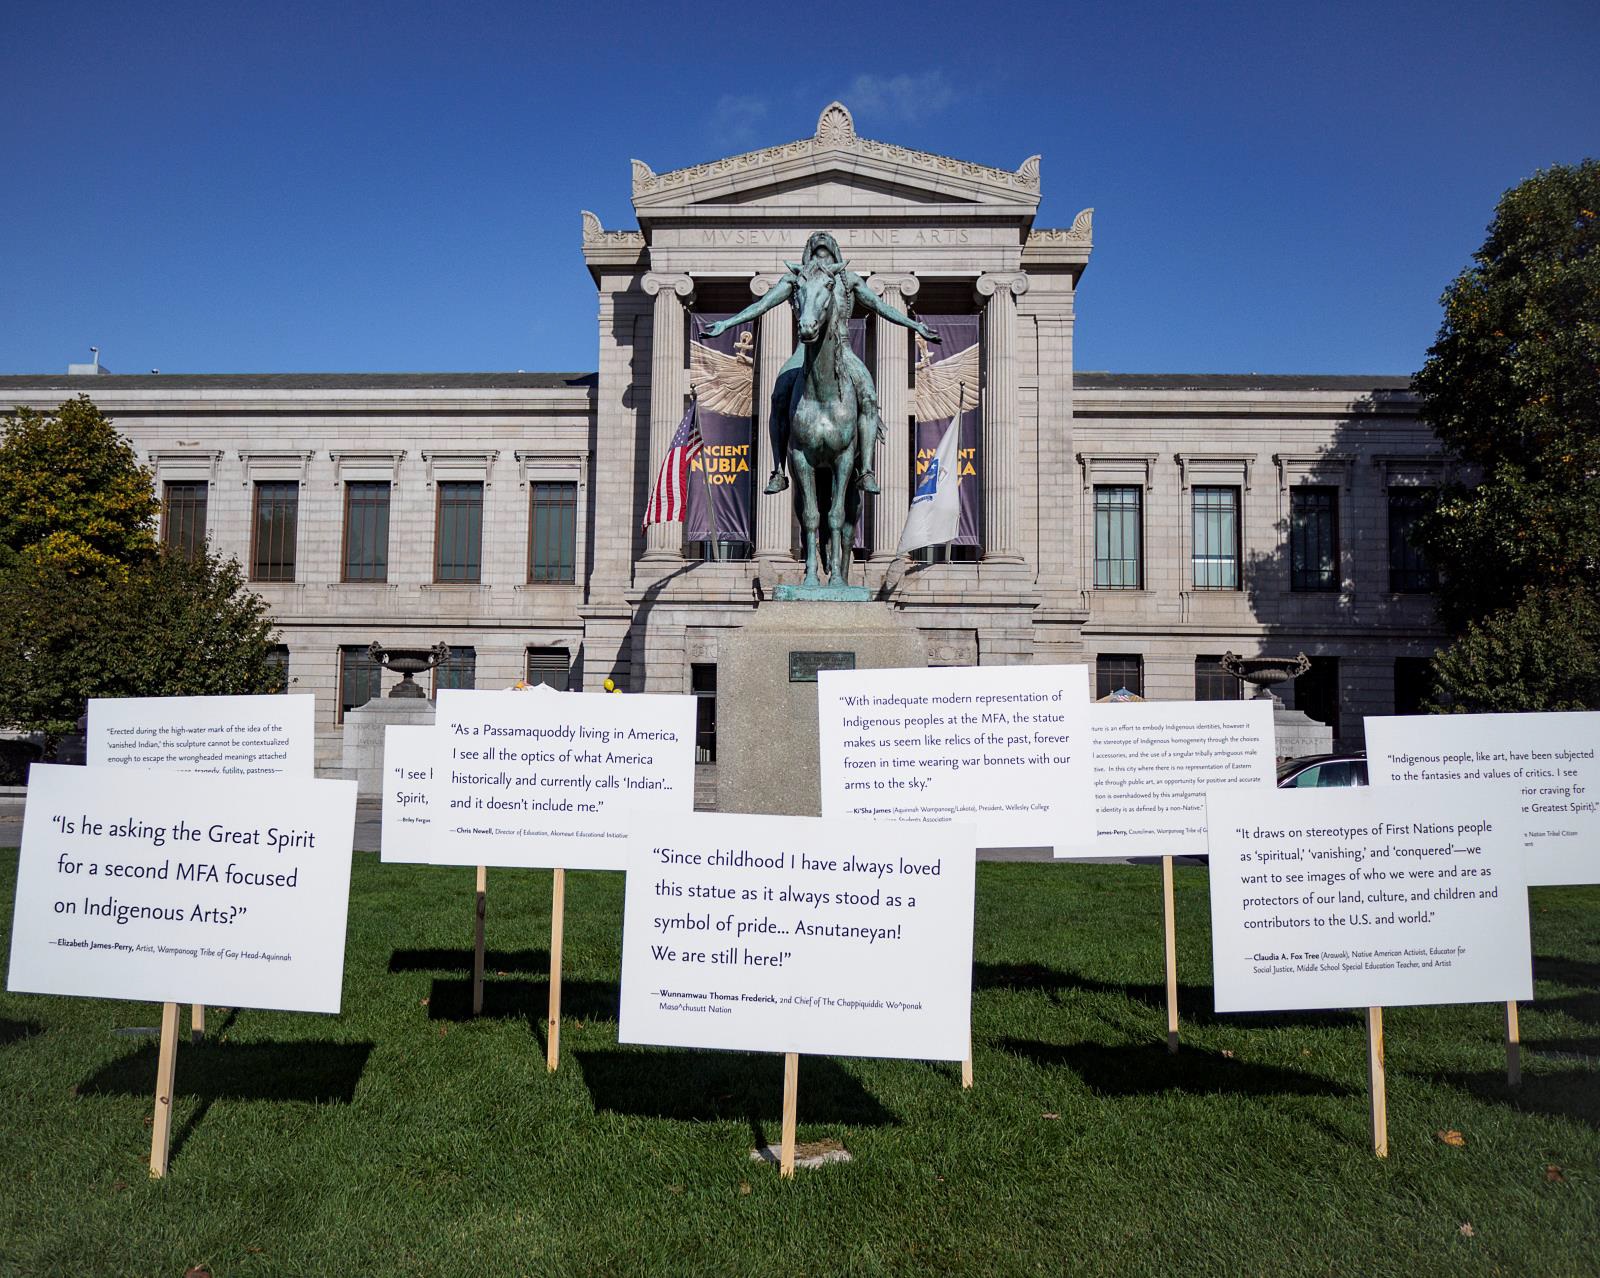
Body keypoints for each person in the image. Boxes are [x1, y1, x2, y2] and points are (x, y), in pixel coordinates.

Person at [703, 231, 938, 494]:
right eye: (816, 253)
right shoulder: (795, 279)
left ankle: (867, 471)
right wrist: (726, 324)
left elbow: (882, 307)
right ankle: (779, 470)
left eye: (826, 253)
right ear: (808, 256)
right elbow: (763, 305)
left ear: (836, 256)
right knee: (779, 398)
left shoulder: (847, 280)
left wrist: (915, 325)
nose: (821, 257)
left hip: (843, 350)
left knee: (869, 397)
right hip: (803, 351)